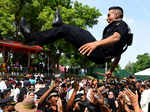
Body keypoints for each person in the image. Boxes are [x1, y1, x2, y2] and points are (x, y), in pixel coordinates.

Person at [20, 6, 133, 76]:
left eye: (109, 15)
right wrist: (110, 71)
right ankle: (35, 39)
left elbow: (116, 37)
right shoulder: (123, 30)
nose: (107, 18)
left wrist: (95, 43)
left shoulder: (120, 24)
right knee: (65, 33)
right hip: (100, 55)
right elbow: (118, 55)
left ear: (117, 15)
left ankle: (31, 36)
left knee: (72, 31)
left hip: (99, 53)